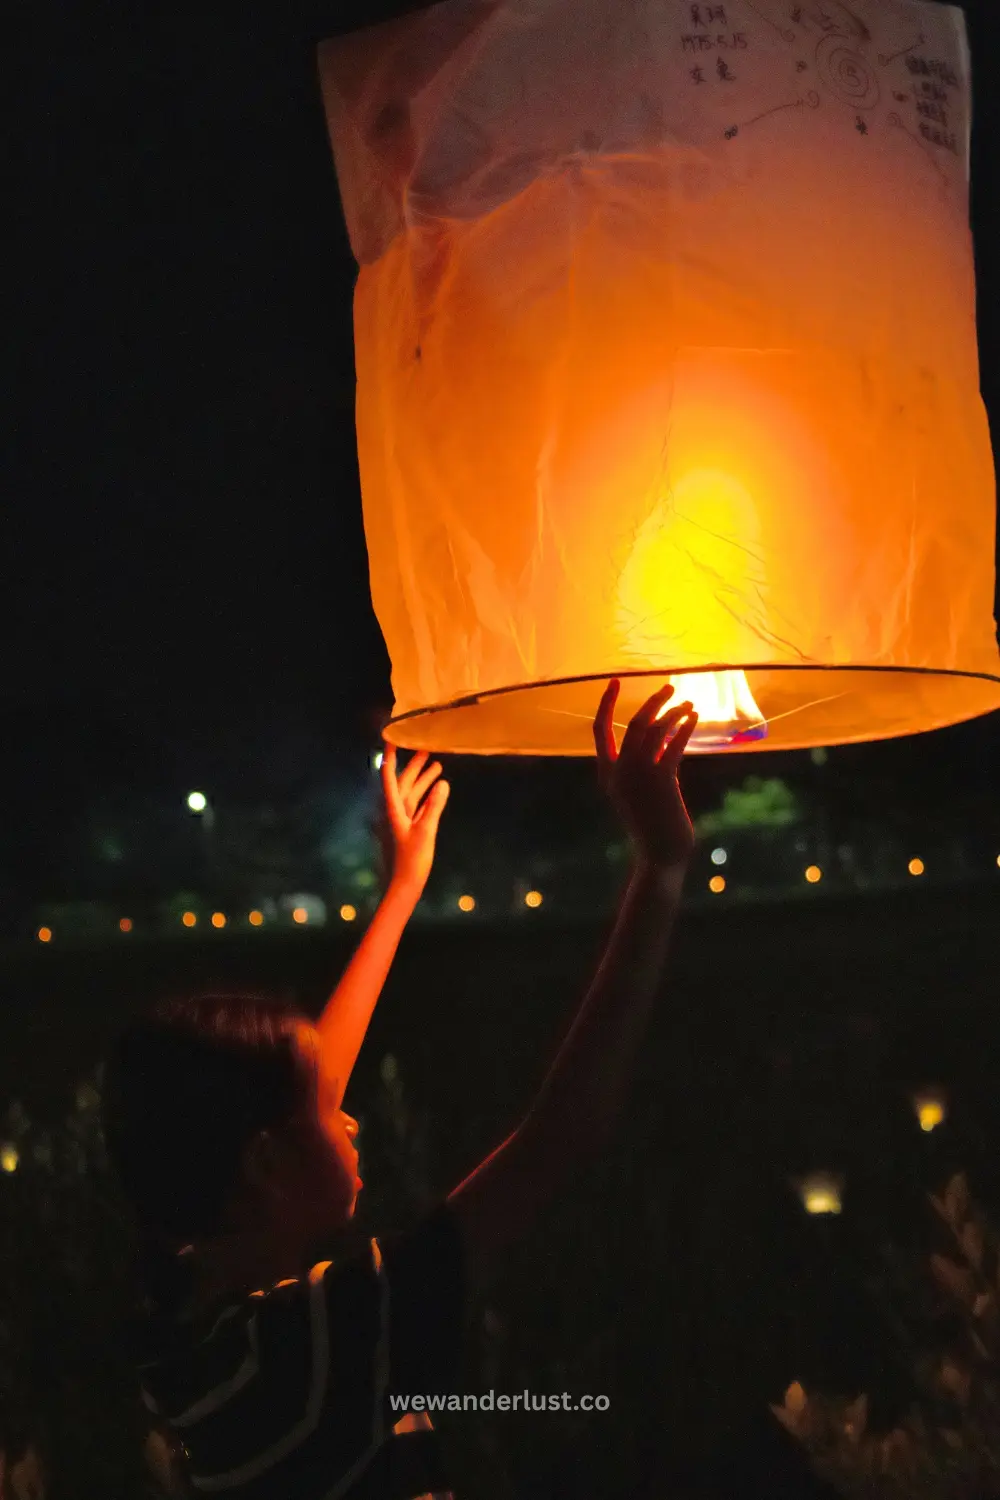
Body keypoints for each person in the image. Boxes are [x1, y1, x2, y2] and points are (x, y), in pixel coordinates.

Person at [102, 681, 698, 1500]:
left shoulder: (183, 1313)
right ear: (265, 1164)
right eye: (327, 1110)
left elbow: (287, 1102)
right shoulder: (302, 1350)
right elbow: (558, 1138)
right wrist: (660, 870)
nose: (349, 1114)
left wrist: (399, 894)